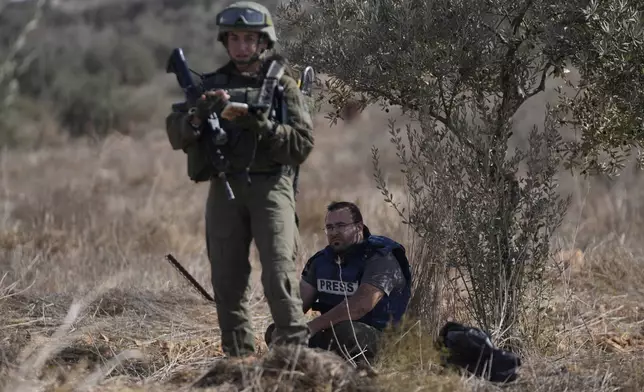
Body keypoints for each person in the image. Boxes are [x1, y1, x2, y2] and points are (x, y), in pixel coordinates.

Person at [164, 1, 314, 358]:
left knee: (279, 277)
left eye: (250, 39)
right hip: (225, 188)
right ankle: (239, 362)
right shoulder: (211, 86)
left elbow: (302, 145)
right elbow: (176, 135)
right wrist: (199, 115)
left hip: (272, 187)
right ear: (225, 41)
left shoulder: (280, 85)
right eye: (234, 38)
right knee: (227, 282)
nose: (242, 46)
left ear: (263, 42)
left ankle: (295, 361)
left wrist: (262, 126)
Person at [265, 201, 412, 363]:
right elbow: (298, 304)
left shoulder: (380, 258)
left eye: (341, 226)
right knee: (276, 331)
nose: (334, 232)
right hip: (330, 334)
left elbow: (360, 305)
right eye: (329, 227)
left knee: (346, 332)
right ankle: (312, 364)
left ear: (359, 227)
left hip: (377, 338)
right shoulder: (321, 261)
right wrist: (286, 326)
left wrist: (312, 327)